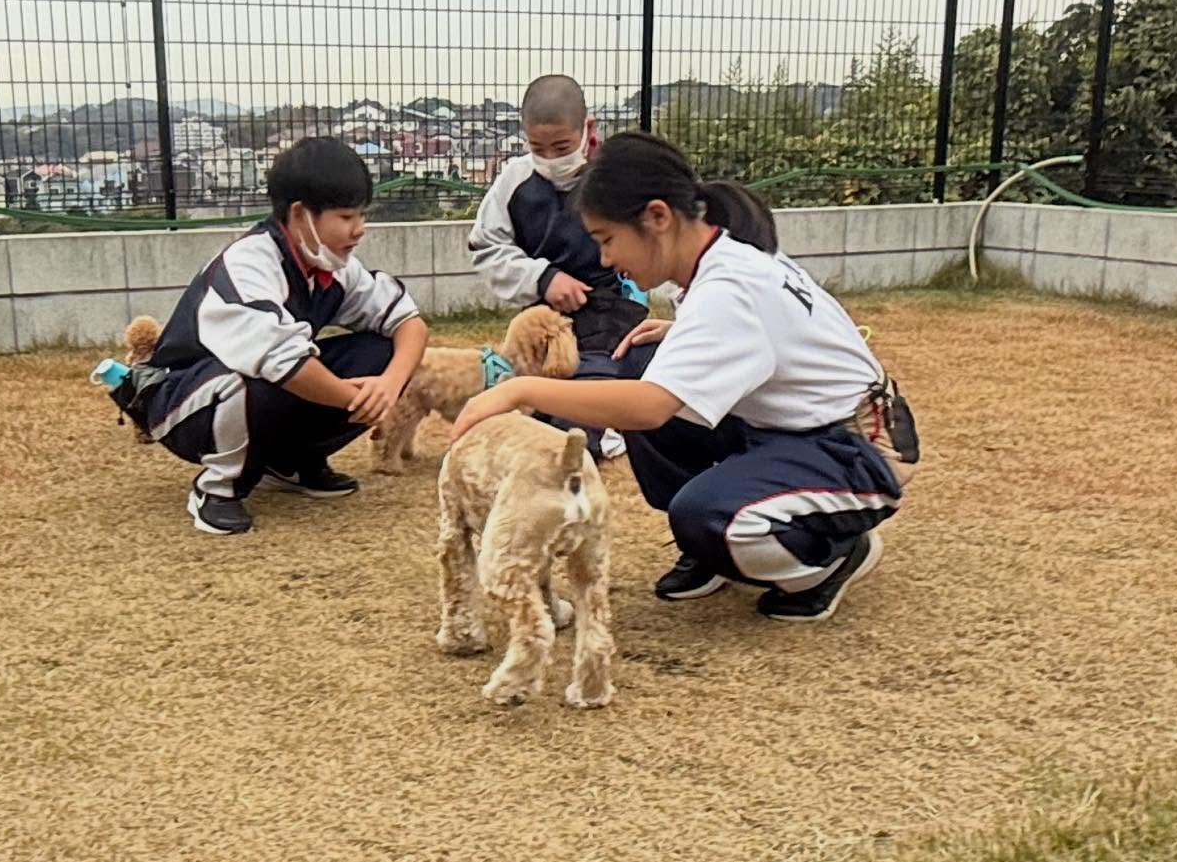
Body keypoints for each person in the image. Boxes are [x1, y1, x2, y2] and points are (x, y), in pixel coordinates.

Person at [451, 132, 919, 624]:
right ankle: (719, 546)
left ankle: (832, 557)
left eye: (607, 240)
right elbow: (785, 328)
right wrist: (683, 333)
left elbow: (651, 406)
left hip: (862, 447)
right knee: (642, 360)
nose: (606, 260)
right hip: (800, 431)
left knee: (706, 514)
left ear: (657, 217)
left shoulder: (726, 286)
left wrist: (518, 389)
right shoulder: (722, 253)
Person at [135, 138, 429, 535]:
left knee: (380, 352)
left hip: (256, 384)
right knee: (248, 378)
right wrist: (362, 400)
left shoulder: (334, 264)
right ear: (300, 214)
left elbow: (409, 322)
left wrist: (389, 385)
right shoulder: (248, 263)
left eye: (362, 215)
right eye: (345, 217)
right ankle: (218, 488)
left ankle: (289, 464)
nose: (359, 230)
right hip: (181, 401)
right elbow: (286, 366)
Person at [467, 73, 649, 457]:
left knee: (581, 408)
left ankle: (599, 427)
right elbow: (485, 245)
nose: (550, 158)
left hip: (607, 311)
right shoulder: (514, 179)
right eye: (538, 147)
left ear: (588, 129)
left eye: (562, 146)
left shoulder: (617, 173)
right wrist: (541, 277)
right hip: (541, 317)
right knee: (525, 413)